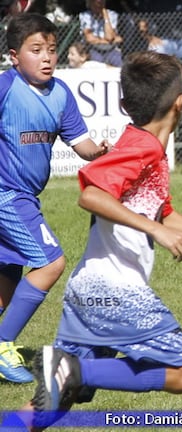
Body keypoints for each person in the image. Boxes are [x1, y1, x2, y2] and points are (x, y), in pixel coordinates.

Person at [3, 50, 182, 430]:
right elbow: (90, 194)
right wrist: (155, 230)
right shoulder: (140, 148)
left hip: (86, 292)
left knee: (56, 400)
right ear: (180, 103)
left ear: (124, 104)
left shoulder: (147, 149)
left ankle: (56, 385)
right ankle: (75, 369)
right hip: (115, 291)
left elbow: (162, 213)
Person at [0, 12, 109, 384]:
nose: (47, 57)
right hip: (6, 196)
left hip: (24, 196)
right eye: (35, 50)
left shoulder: (60, 93)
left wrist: (101, 152)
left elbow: (81, 144)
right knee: (52, 264)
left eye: (50, 49)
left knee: (9, 276)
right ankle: (1, 344)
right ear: (14, 56)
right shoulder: (5, 88)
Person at [136, 0, 182, 66]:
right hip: (163, 43)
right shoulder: (151, 3)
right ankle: (159, 82)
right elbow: (142, 26)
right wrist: (151, 38)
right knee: (154, 48)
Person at [78, 0, 124, 67]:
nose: (98, 5)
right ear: (90, 3)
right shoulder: (85, 15)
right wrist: (109, 41)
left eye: (101, 2)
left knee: (117, 61)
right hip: (93, 49)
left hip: (111, 49)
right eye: (96, 2)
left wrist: (106, 16)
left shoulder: (112, 14)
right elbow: (89, 38)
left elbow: (110, 37)